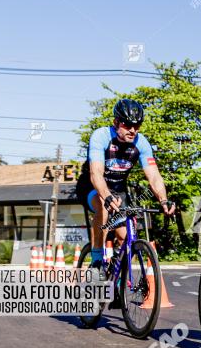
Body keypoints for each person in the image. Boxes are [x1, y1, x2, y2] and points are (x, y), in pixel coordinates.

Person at [75, 98, 175, 269]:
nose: (133, 130)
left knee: (125, 237)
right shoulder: (101, 136)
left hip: (119, 189)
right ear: (116, 122)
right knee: (103, 205)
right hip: (92, 187)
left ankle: (117, 283)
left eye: (137, 126)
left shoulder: (141, 143)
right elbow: (96, 173)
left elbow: (154, 176)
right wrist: (106, 196)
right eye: (128, 125)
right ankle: (97, 258)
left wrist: (164, 200)